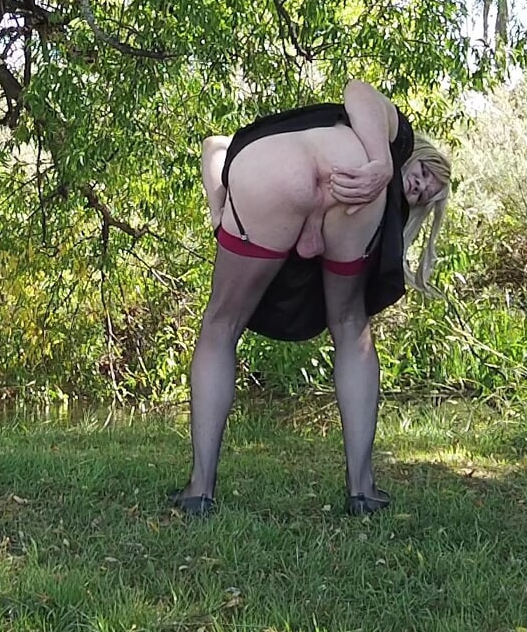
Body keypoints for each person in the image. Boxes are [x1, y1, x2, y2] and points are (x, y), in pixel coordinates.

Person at [171, 79, 451, 518]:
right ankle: (361, 487)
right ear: (415, 156)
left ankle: (199, 489)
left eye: (422, 195)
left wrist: (221, 209)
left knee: (221, 325)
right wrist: (379, 163)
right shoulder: (394, 139)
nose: (416, 189)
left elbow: (215, 149)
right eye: (422, 177)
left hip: (270, 174)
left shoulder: (331, 140)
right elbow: (357, 88)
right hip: (352, 185)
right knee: (349, 326)